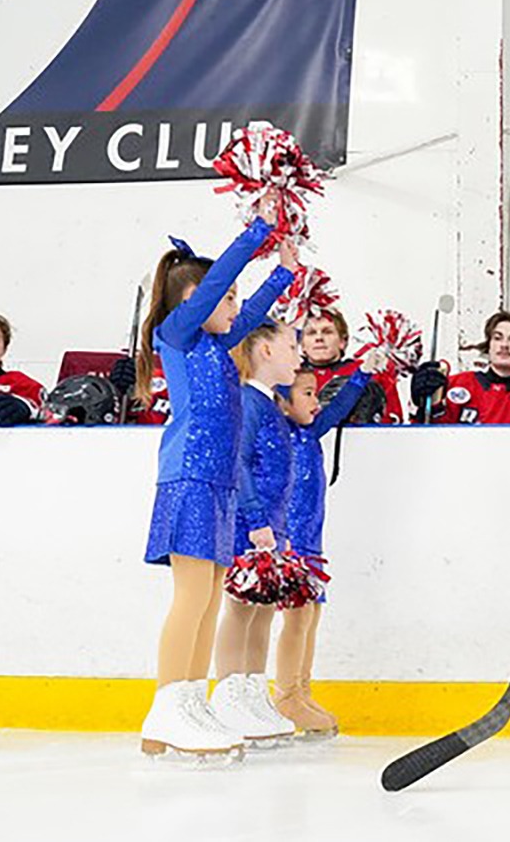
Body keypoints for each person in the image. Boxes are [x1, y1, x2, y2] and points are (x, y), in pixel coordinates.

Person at [137, 203, 295, 759]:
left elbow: (251, 314)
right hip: (189, 478)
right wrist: (256, 234)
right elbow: (218, 287)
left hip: (221, 485)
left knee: (207, 598)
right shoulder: (176, 334)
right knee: (190, 596)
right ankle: (168, 703)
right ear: (193, 301)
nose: (234, 308)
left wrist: (283, 269)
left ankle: (187, 703)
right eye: (224, 298)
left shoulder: (218, 346)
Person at [277, 348, 386, 736]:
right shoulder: (280, 436)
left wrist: (361, 374)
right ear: (282, 402)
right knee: (296, 619)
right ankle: (286, 696)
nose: (316, 400)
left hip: (310, 544)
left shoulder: (309, 432)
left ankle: (301, 690)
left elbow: (338, 408)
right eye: (307, 393)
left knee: (310, 617)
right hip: (288, 545)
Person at [209, 322, 303, 747]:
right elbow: (239, 462)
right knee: (243, 609)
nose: (298, 356)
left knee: (263, 609)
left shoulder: (269, 403)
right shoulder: (248, 401)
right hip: (251, 523)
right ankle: (229, 692)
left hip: (271, 522)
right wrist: (254, 516)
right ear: (265, 351)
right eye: (291, 346)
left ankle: (251, 689)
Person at [410, 310, 510, 424]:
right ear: (489, 345)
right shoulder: (454, 385)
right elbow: (429, 436)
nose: (504, 345)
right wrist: (423, 404)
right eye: (497, 338)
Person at [303, 307, 405, 424]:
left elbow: (394, 424)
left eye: (327, 332)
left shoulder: (370, 372)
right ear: (302, 344)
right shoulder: (289, 377)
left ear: (343, 341)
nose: (319, 338)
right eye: (311, 333)